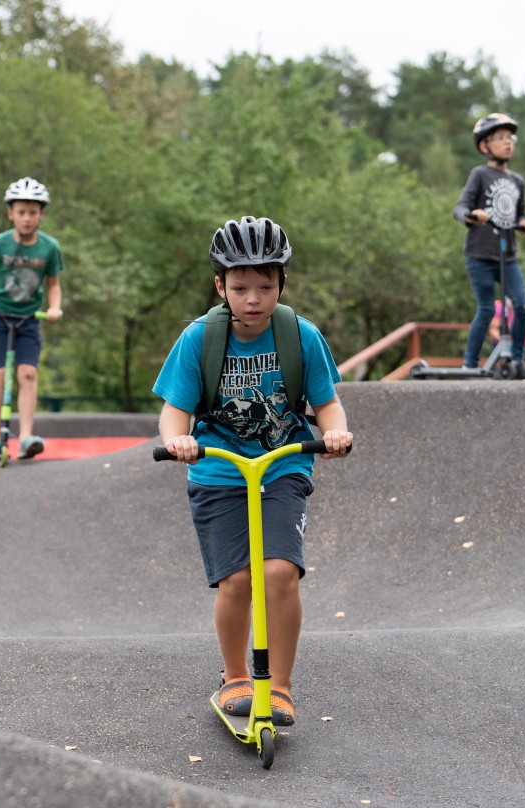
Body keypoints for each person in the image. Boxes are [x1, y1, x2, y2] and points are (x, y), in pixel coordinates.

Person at [154, 216, 352, 728]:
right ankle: (236, 676)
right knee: (238, 581)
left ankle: (279, 686)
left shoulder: (301, 335)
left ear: (282, 283)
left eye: (265, 287)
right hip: (219, 471)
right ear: (220, 286)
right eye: (240, 288)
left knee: (280, 572)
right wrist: (177, 439)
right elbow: (175, 410)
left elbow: (327, 403)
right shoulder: (199, 339)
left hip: (282, 465)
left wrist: (335, 434)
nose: (253, 299)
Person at [0, 177, 64, 460]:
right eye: (21, 212)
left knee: (28, 372)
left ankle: (26, 437)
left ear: (41, 215)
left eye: (33, 212)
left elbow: (53, 285)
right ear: (11, 213)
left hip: (28, 318)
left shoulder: (49, 247)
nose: (27, 218)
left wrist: (55, 307)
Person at [452, 113, 525, 380]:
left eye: (510, 138)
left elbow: (521, 212)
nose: (507, 143)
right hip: (479, 254)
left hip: (508, 255)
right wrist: (472, 215)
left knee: (522, 305)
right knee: (487, 309)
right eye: (500, 138)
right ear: (484, 146)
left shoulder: (518, 181)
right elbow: (460, 207)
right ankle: (470, 365)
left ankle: (517, 361)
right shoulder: (480, 174)